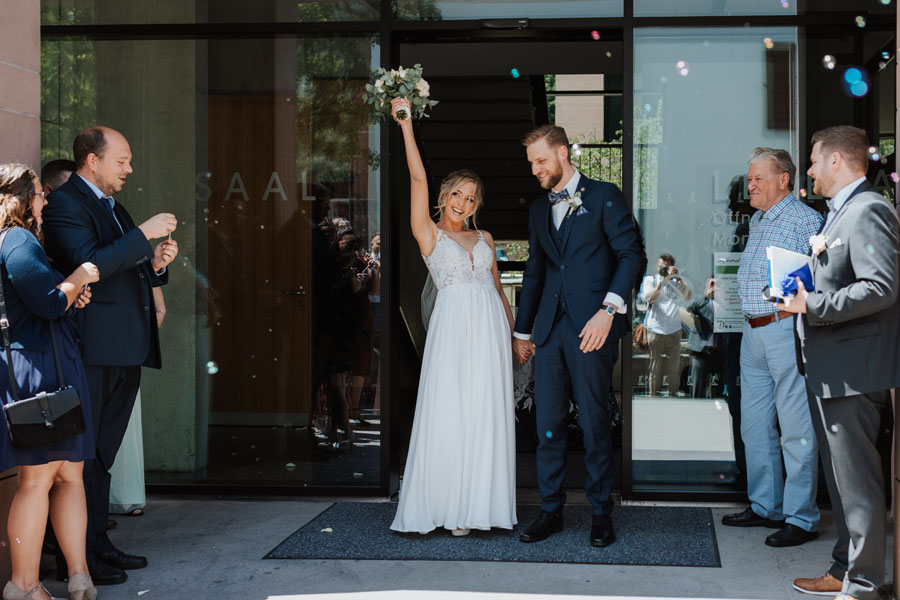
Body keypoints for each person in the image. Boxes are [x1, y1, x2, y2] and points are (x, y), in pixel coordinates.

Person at [41, 126, 179, 586]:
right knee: (85, 453)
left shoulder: (110, 205)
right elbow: (90, 266)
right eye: (121, 160)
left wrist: (155, 262)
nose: (129, 169)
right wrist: (142, 235)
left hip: (124, 344)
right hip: (92, 346)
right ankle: (73, 557)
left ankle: (97, 542)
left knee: (103, 453)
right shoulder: (65, 205)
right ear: (92, 160)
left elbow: (126, 264)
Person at [388, 97, 517, 536]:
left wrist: (515, 336)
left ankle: (481, 505)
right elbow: (417, 174)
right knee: (452, 411)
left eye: (472, 197)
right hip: (453, 330)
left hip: (491, 332)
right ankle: (450, 506)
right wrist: (405, 123)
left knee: (486, 413)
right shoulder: (429, 233)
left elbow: (498, 289)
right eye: (458, 194)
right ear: (445, 196)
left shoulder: (485, 236)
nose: (464, 202)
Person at [784, 126, 900, 600]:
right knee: (841, 483)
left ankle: (865, 584)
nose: (808, 171)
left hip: (854, 371)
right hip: (832, 368)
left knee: (859, 486)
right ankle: (843, 569)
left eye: (813, 161)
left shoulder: (869, 210)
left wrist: (813, 305)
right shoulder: (840, 214)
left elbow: (881, 286)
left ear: (837, 161)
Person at [512, 124, 642, 547]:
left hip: (593, 328)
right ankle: (550, 510)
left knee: (593, 419)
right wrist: (522, 331)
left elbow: (631, 254)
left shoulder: (604, 196)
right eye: (531, 163)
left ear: (564, 153)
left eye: (541, 160)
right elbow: (535, 273)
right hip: (549, 330)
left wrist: (609, 310)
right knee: (547, 422)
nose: (535, 169)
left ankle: (601, 513)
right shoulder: (537, 209)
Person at [0, 164, 99, 600]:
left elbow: (47, 300)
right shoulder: (17, 239)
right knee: (40, 479)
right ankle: (23, 585)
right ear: (21, 198)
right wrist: (79, 278)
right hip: (38, 369)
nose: (45, 201)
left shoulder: (18, 240)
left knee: (68, 474)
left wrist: (70, 292)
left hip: (48, 363)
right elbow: (45, 304)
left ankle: (78, 577)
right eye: (39, 194)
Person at [721, 147, 822, 548]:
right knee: (755, 425)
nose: (751, 185)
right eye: (749, 179)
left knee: (796, 429)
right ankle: (767, 507)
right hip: (753, 333)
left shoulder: (806, 220)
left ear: (783, 179)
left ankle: (801, 517)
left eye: (759, 178)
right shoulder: (761, 219)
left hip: (785, 330)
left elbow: (815, 281)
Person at [640, 253, 691, 396]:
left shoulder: (677, 282)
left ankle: (672, 395)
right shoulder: (651, 279)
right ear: (657, 266)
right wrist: (661, 283)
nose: (663, 269)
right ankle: (653, 396)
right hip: (655, 328)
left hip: (674, 329)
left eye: (666, 267)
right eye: (661, 266)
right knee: (655, 368)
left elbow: (688, 297)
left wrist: (678, 280)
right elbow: (649, 298)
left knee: (674, 368)